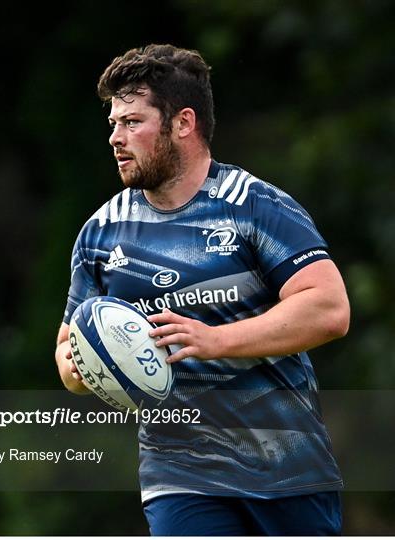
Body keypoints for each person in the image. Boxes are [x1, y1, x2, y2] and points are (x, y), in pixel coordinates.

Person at [55, 44, 350, 536]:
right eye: (113, 124)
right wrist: (91, 363)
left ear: (183, 123)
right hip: (179, 474)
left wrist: (216, 341)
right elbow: (68, 353)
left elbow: (328, 308)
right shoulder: (101, 233)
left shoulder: (253, 206)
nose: (115, 138)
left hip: (288, 467)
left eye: (132, 122)